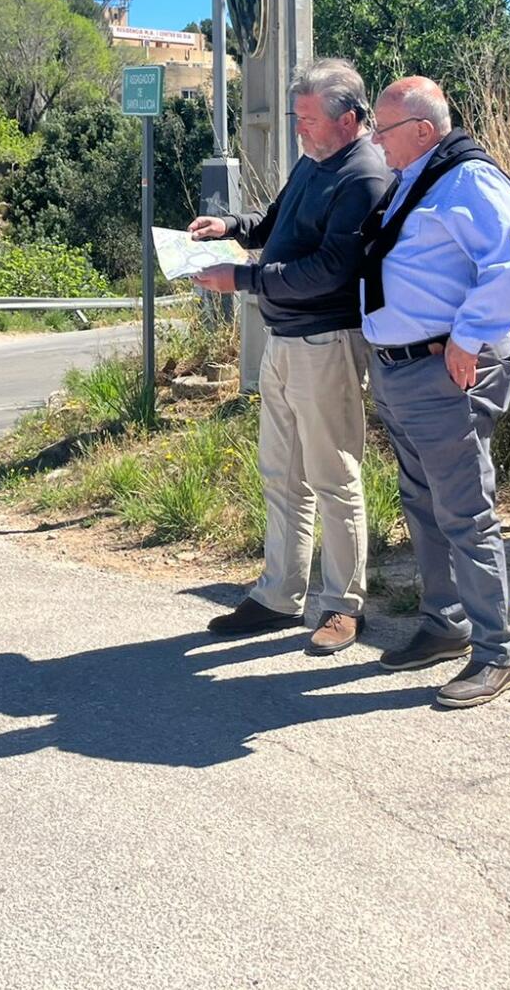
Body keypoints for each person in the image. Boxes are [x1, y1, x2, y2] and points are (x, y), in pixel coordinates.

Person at [187, 58, 394, 655]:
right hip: (284, 339)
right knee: (281, 475)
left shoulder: (364, 175)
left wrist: (242, 279)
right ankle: (279, 595)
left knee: (333, 477)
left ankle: (344, 605)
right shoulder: (315, 160)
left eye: (308, 119)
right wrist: (229, 226)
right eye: (297, 117)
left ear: (348, 119)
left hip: (326, 342)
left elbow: (331, 270)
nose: (299, 129)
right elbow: (274, 224)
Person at [359, 76, 510, 708]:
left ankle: (496, 652)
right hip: (402, 370)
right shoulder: (417, 179)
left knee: (464, 511)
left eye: (382, 129)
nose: (375, 141)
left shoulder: (468, 180)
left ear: (422, 130)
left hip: (445, 370)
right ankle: (445, 624)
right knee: (422, 502)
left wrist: (469, 337)